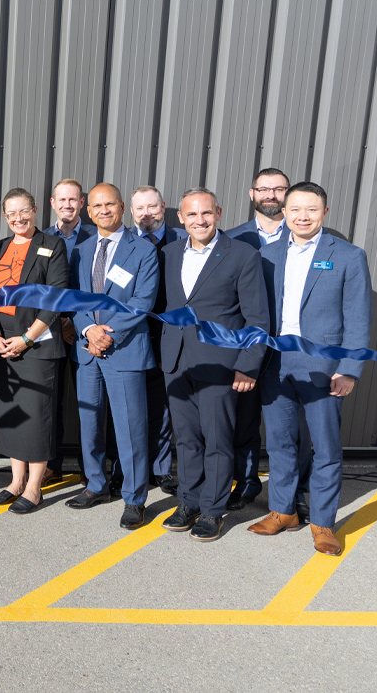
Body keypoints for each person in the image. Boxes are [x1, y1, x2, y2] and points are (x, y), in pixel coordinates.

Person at [251, 182, 371, 556]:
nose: (303, 216)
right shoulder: (267, 255)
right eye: (296, 209)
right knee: (281, 442)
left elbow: (358, 318)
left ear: (325, 213)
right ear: (283, 213)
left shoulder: (349, 256)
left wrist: (349, 368)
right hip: (276, 364)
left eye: (312, 210)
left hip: (324, 368)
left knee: (326, 447)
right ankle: (282, 510)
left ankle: (322, 522)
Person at [158, 189, 269, 542]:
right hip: (177, 361)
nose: (200, 221)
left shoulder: (242, 255)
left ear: (218, 213)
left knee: (218, 439)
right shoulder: (170, 253)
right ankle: (188, 501)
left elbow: (257, 318)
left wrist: (248, 365)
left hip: (220, 364)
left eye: (206, 213)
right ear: (181, 218)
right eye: (192, 215)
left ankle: (213, 510)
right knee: (187, 438)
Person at [64, 183, 158, 531]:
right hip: (88, 350)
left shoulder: (143, 250)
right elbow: (73, 298)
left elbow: (142, 301)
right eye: (97, 206)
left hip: (125, 349)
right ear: (89, 211)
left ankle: (135, 498)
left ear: (122, 208)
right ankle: (96, 484)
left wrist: (106, 334)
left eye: (110, 205)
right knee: (89, 424)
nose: (104, 211)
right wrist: (89, 331)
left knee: (130, 427)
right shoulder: (82, 249)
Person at [226, 167, 312, 515]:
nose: (271, 195)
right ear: (252, 194)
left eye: (279, 189)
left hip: (289, 347)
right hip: (248, 344)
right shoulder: (232, 239)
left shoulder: (308, 238)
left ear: (289, 195)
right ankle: (246, 483)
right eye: (264, 189)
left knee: (294, 429)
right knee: (243, 421)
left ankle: (298, 491)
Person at [0, 188, 68, 513]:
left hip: (37, 344)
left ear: (35, 211)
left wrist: (28, 338)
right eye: (11, 214)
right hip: (4, 343)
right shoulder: (0, 247)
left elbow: (56, 298)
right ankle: (15, 481)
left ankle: (34, 487)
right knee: (12, 416)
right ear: (5, 217)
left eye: (24, 212)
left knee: (36, 418)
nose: (18, 219)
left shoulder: (53, 245)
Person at [118, 185, 186, 496]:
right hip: (127, 334)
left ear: (163, 207)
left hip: (169, 335)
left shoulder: (184, 242)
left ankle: (160, 467)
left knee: (163, 406)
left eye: (152, 207)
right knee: (125, 407)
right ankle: (124, 469)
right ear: (130, 212)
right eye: (140, 208)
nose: (147, 213)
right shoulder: (122, 244)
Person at [45, 178, 95, 484]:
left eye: (73, 200)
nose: (67, 205)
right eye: (61, 200)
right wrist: (58, 322)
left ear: (81, 204)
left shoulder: (94, 236)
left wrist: (74, 322)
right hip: (50, 330)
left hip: (84, 330)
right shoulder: (41, 238)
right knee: (50, 402)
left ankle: (94, 471)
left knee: (90, 403)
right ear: (52, 203)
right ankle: (51, 464)